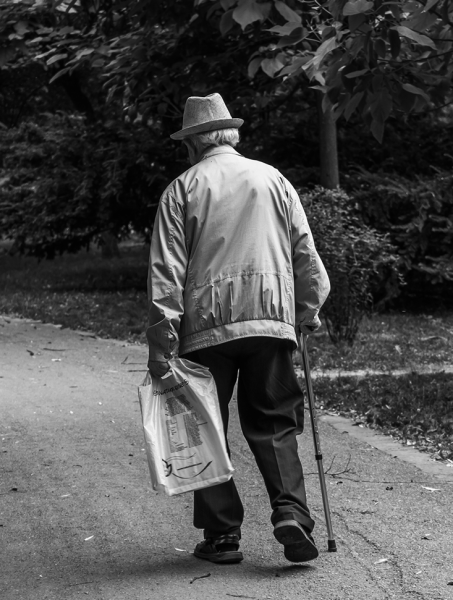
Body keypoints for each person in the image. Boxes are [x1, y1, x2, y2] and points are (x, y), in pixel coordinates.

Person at [146, 93, 330, 565]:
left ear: (192, 143)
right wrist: (306, 312)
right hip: (269, 321)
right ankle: (290, 513)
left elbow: (167, 273)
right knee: (274, 421)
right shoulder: (273, 179)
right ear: (231, 134)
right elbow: (304, 252)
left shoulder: (182, 189)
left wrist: (162, 344)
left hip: (206, 329)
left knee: (205, 426)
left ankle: (222, 535)